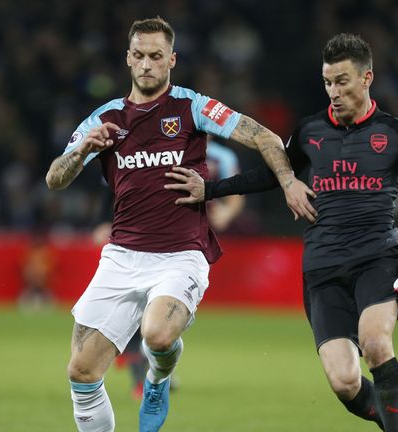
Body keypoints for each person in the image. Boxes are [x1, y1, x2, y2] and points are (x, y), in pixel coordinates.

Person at [164, 33, 398, 431]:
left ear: (366, 78)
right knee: (344, 380)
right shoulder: (309, 132)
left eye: (342, 81)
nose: (333, 91)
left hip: (379, 259)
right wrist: (211, 189)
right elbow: (270, 175)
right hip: (323, 266)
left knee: (374, 342)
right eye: (327, 82)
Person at [45, 17, 314, 432]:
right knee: (81, 371)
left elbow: (264, 136)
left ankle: (158, 377)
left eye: (156, 56)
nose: (147, 64)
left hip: (180, 255)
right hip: (121, 256)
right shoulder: (105, 118)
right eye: (139, 55)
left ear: (172, 59)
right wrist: (82, 150)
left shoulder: (193, 107)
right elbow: (54, 180)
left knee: (157, 336)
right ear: (128, 59)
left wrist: (289, 180)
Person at [111, 137, 245, 401]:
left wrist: (228, 213)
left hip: (195, 241)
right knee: (146, 309)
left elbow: (236, 193)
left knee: (166, 310)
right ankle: (142, 374)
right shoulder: (166, 149)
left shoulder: (223, 157)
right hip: (157, 237)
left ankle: (148, 364)